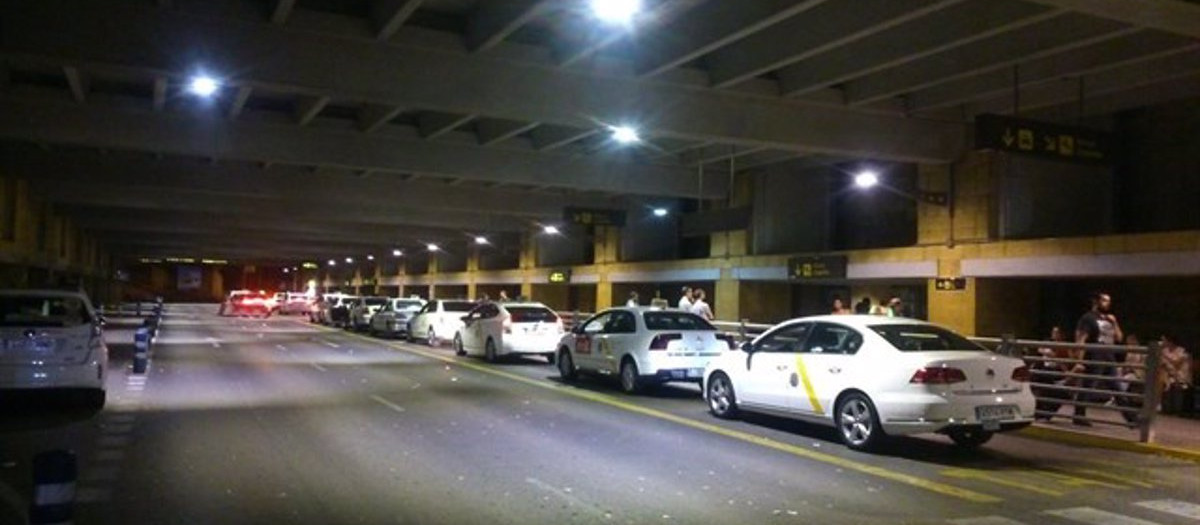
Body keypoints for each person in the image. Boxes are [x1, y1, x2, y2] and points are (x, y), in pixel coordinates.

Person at [1073, 291, 1123, 426]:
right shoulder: (1089, 318)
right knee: (1089, 386)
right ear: (1096, 302)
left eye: (1108, 301)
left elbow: (1119, 338)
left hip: (1109, 355)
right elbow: (1081, 339)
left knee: (1117, 387)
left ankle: (1132, 418)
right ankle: (1079, 415)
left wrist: (1115, 322)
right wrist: (1079, 361)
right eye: (1104, 300)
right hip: (1094, 355)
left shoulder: (1110, 319)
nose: (1107, 304)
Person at [1030, 326, 1074, 420]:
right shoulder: (1048, 343)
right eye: (1053, 332)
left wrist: (1055, 357)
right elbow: (1040, 349)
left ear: (1061, 334)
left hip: (1055, 372)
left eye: (1056, 332)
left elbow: (1066, 363)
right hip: (1044, 370)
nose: (1053, 334)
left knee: (1052, 391)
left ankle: (1043, 414)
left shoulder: (1064, 346)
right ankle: (1039, 413)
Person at [1159, 334, 1193, 414]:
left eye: (1164, 341)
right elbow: (1161, 364)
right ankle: (1162, 406)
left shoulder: (1182, 351)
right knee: (1161, 380)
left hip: (1181, 376)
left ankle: (1176, 410)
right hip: (1168, 374)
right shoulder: (1164, 350)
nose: (1163, 343)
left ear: (1170, 342)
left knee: (1175, 385)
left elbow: (1177, 363)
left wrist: (1165, 356)